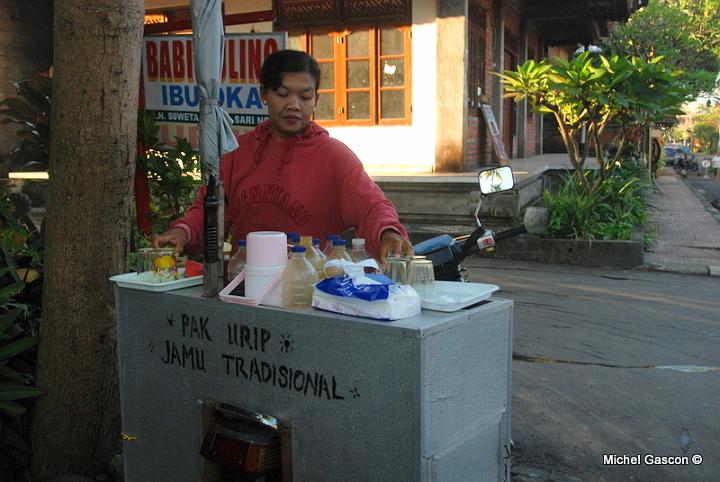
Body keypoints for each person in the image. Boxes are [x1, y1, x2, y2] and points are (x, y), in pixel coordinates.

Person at [154, 49, 412, 262]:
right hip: (242, 286)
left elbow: (372, 206)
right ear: (263, 94)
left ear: (316, 99)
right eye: (283, 94)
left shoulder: (335, 156)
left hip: (306, 294)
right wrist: (182, 232)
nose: (294, 105)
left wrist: (387, 232)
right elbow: (208, 210)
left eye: (305, 96)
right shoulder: (237, 153)